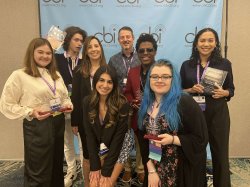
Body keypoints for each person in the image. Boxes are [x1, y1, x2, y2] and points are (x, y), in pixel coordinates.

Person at [0, 38, 73, 187]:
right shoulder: (19, 75)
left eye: (48, 53)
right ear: (31, 53)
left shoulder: (55, 75)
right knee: (38, 172)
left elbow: (65, 97)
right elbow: (6, 105)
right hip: (37, 126)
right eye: (40, 52)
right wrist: (30, 111)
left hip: (58, 123)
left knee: (56, 168)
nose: (45, 56)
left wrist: (67, 105)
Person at [137, 59, 208, 187]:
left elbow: (200, 139)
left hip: (179, 170)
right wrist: (151, 170)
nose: (159, 80)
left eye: (165, 76)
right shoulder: (146, 104)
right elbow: (143, 140)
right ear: (149, 79)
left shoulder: (185, 103)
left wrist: (173, 139)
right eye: (155, 76)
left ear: (173, 79)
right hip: (155, 164)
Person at [180, 27, 235, 187]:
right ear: (196, 44)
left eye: (210, 40)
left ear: (216, 43)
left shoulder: (224, 64)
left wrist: (224, 92)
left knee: (220, 156)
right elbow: (179, 90)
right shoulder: (187, 65)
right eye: (202, 40)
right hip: (194, 114)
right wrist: (190, 90)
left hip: (218, 113)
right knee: (196, 154)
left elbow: (231, 89)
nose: (206, 44)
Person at [82, 66, 132, 187]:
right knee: (94, 182)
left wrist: (105, 171)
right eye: (101, 80)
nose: (105, 85)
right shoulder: (87, 102)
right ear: (95, 81)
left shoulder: (122, 104)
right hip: (101, 142)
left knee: (106, 183)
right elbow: (89, 135)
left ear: (114, 85)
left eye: (109, 82)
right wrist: (95, 167)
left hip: (120, 145)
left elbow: (117, 140)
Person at [71, 35, 107, 187]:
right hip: (86, 121)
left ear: (101, 48)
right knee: (87, 155)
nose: (93, 49)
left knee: (104, 153)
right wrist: (75, 121)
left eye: (96, 46)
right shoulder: (79, 71)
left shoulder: (108, 69)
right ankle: (88, 183)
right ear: (85, 51)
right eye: (90, 47)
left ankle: (102, 182)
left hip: (105, 120)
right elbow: (76, 98)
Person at [123, 33, 158, 183]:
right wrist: (132, 102)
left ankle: (156, 179)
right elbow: (128, 92)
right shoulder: (133, 71)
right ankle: (146, 176)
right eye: (141, 50)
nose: (145, 53)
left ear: (155, 51)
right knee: (143, 152)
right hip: (139, 120)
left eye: (149, 50)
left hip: (159, 122)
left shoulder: (161, 69)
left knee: (156, 155)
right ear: (137, 52)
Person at [55, 26, 87, 187]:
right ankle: (71, 171)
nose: (80, 43)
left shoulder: (85, 61)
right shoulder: (57, 59)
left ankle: (84, 171)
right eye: (76, 39)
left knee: (83, 143)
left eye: (82, 40)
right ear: (67, 40)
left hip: (81, 110)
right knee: (67, 142)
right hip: (62, 108)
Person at [109, 26, 140, 91]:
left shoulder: (141, 58)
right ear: (118, 40)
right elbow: (110, 81)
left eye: (128, 37)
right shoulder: (113, 60)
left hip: (137, 99)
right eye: (122, 37)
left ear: (133, 38)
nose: (125, 40)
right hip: (118, 99)